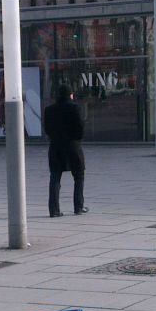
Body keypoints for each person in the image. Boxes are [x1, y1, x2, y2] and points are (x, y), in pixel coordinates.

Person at [44, 84, 87, 217]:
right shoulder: (75, 108)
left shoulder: (49, 110)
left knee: (55, 177)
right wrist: (76, 138)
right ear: (70, 95)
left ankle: (54, 210)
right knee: (79, 175)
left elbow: (47, 129)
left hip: (55, 146)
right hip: (73, 146)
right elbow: (80, 127)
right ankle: (78, 207)